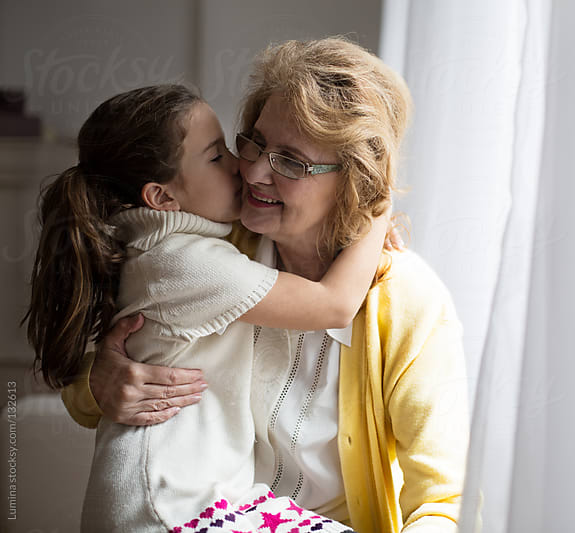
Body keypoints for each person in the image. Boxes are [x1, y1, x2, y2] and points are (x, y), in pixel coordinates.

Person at [63, 38, 470, 533]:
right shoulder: (209, 248)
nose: (252, 171)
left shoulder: (409, 302)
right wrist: (101, 384)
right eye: (253, 141)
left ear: (355, 179)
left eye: (291, 161)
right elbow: (84, 394)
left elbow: (441, 501)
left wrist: (376, 208)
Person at [24, 84, 393, 531]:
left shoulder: (162, 249)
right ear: (161, 197)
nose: (244, 167)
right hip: (168, 506)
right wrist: (377, 210)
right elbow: (333, 305)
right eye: (218, 156)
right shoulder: (188, 262)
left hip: (202, 498)